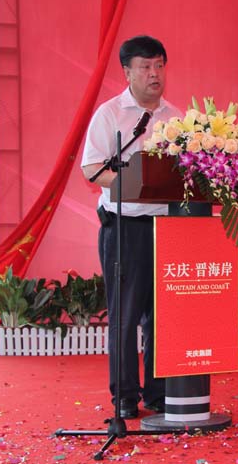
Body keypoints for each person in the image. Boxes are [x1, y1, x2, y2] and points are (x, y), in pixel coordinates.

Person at [81, 35, 181, 419]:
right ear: (128, 72)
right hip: (125, 227)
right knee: (125, 316)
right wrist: (134, 184)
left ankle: (158, 392)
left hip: (167, 227)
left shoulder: (177, 117)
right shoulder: (110, 114)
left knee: (162, 316)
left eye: (159, 65)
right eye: (145, 67)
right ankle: (124, 396)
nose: (154, 74)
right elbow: (92, 169)